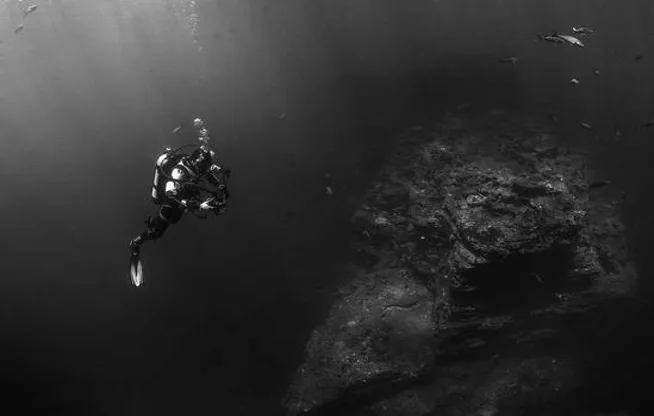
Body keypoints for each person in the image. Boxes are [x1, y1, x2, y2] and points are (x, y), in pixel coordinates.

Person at [128, 118, 230, 286]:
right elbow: (170, 193)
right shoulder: (179, 171)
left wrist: (220, 186)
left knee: (175, 219)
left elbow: (209, 176)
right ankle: (136, 243)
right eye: (204, 165)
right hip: (172, 202)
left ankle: (145, 235)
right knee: (159, 229)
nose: (205, 169)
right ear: (197, 161)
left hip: (182, 200)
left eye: (206, 166)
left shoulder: (197, 167)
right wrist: (196, 205)